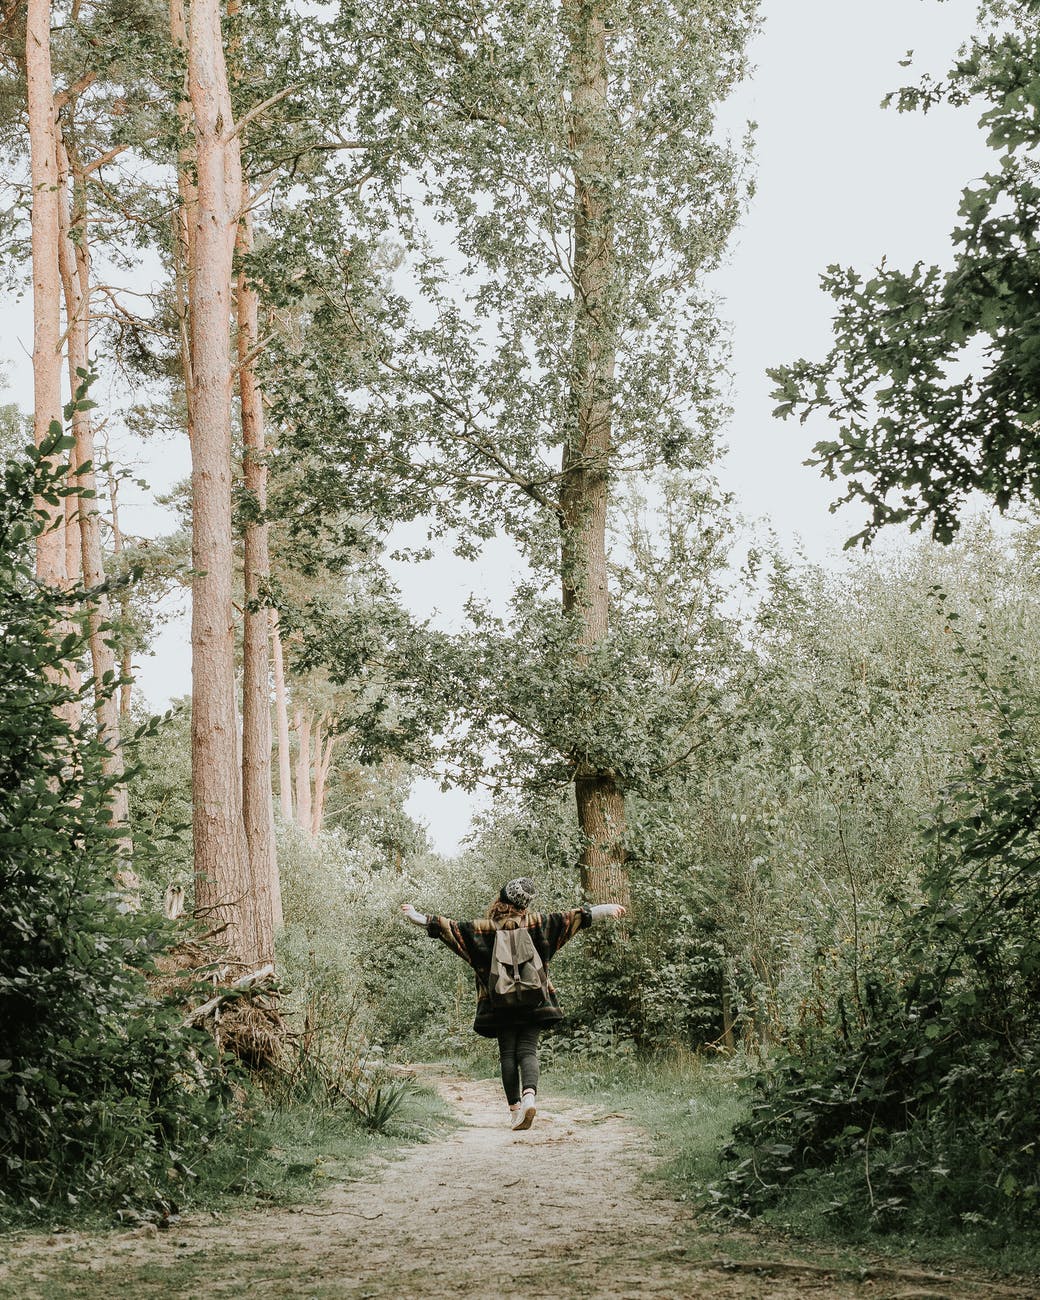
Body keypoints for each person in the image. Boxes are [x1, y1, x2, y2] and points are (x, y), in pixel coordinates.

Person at [400, 876, 626, 1131]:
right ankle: (529, 1097)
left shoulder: (483, 929)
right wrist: (607, 909)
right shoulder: (539, 924)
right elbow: (573, 918)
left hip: (498, 1003)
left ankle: (515, 1112)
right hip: (534, 1001)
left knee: (508, 1053)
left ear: (502, 898)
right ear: (524, 904)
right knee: (528, 1051)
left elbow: (449, 928)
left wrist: (416, 915)